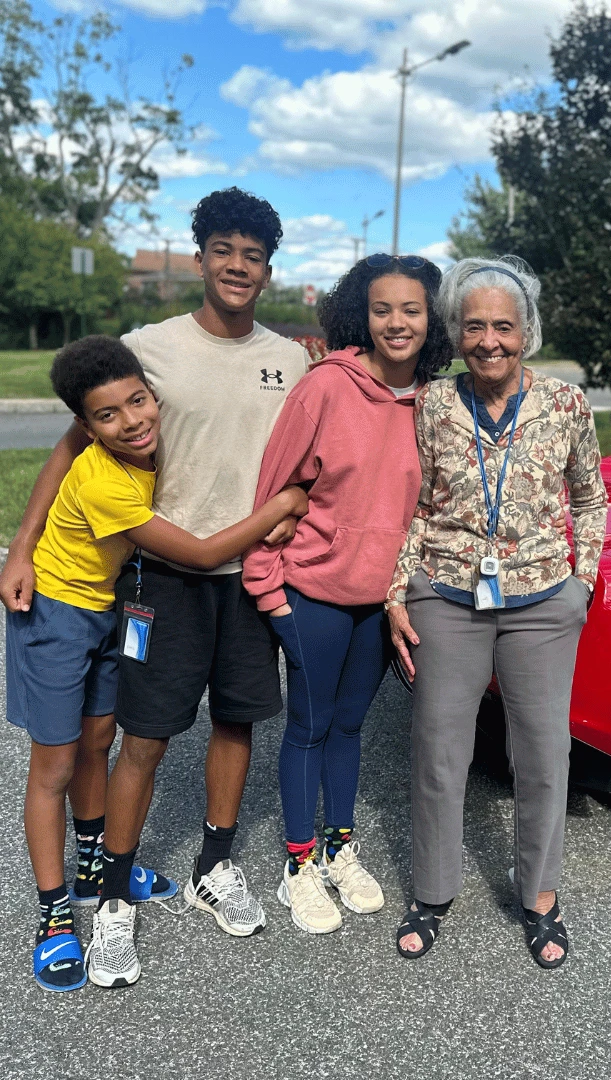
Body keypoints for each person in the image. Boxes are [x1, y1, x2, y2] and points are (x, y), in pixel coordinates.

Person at [0, 188, 309, 987]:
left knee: (238, 722)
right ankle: (112, 903)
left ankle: (215, 863)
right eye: (224, 250)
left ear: (268, 268)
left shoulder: (292, 359)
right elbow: (72, 451)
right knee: (143, 736)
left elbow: (309, 459)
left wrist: (293, 518)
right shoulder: (149, 350)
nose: (238, 266)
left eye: (253, 255)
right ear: (200, 255)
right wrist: (22, 547)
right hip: (164, 578)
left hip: (250, 581)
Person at [387, 256, 607, 969]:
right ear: (456, 332)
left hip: (544, 600)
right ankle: (432, 890)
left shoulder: (567, 405)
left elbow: (591, 499)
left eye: (504, 327)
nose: (489, 341)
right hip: (447, 597)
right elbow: (416, 507)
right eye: (474, 325)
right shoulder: (432, 405)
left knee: (543, 754)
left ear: (527, 333)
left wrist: (584, 582)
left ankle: (540, 896)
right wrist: (398, 590)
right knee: (440, 755)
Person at [243, 254, 452, 934]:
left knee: (350, 727)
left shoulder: (435, 402)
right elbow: (272, 494)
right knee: (308, 725)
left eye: (411, 309)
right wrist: (268, 591)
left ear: (431, 319)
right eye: (383, 308)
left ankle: (339, 847)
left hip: (379, 602)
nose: (397, 322)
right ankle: (298, 866)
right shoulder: (325, 389)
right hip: (312, 594)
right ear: (361, 313)